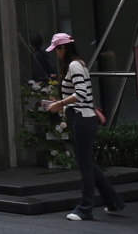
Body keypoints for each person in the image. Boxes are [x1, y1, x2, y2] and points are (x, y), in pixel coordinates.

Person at [45, 33, 125, 221]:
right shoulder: (77, 64)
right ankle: (113, 201)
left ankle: (85, 208)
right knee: (87, 163)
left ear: (63, 48)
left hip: (81, 118)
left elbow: (80, 93)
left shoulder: (74, 65)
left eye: (56, 50)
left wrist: (59, 104)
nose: (56, 54)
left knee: (85, 165)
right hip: (83, 118)